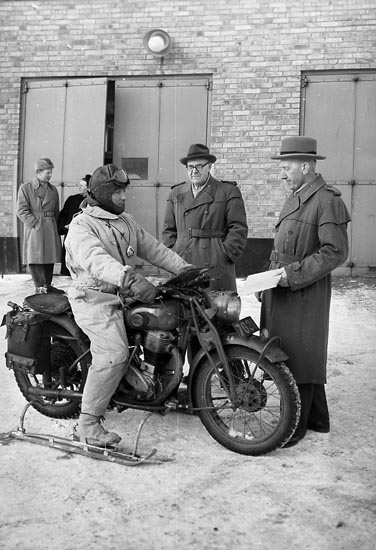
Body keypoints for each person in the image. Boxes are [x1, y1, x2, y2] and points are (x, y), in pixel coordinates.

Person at [64, 163, 193, 447]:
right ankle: (87, 425)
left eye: (125, 191)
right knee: (115, 353)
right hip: (94, 299)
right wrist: (129, 278)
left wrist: (185, 270)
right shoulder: (81, 226)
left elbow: (154, 249)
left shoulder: (125, 221)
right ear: (103, 194)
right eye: (118, 192)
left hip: (124, 295)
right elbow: (96, 260)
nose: (124, 197)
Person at [260, 136, 351, 448]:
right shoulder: (300, 193)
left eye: (287, 167)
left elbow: (335, 252)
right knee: (295, 348)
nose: (283, 173)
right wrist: (267, 279)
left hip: (304, 290)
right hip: (286, 287)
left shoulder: (327, 200)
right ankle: (316, 418)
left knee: (300, 353)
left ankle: (295, 426)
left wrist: (291, 275)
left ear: (306, 165)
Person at [162, 143, 248, 292]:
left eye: (199, 166)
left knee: (217, 310)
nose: (194, 171)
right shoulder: (176, 193)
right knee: (183, 309)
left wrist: (224, 254)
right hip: (182, 261)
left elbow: (238, 228)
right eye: (190, 167)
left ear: (210, 167)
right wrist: (173, 253)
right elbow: (168, 230)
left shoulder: (228, 191)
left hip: (215, 263)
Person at [17, 157, 63, 294]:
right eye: (47, 172)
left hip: (50, 226)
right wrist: (35, 223)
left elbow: (56, 212)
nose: (50, 175)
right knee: (36, 257)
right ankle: (39, 287)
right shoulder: (26, 188)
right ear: (38, 172)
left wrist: (56, 227)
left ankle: (47, 286)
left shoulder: (53, 190)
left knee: (49, 257)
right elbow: (21, 211)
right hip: (35, 227)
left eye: (50, 172)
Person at [57, 174, 91, 276]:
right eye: (79, 185)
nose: (79, 187)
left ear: (89, 188)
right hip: (71, 237)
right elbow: (63, 215)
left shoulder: (93, 202)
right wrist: (63, 227)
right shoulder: (72, 200)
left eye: (82, 185)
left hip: (85, 237)